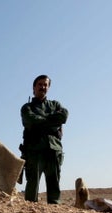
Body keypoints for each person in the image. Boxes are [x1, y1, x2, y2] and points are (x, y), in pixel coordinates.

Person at [20, 75, 69, 204]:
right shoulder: (27, 108)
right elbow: (31, 121)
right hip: (34, 150)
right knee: (32, 185)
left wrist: (41, 121)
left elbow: (63, 116)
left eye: (45, 85)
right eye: (40, 84)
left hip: (53, 149)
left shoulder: (55, 104)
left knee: (54, 184)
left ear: (48, 87)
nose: (43, 87)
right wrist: (52, 122)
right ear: (34, 88)